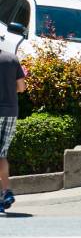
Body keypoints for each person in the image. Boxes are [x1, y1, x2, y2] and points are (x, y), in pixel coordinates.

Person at [0, 48, 26, 213]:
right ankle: (5, 191)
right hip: (10, 112)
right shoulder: (11, 59)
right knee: (2, 153)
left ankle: (5, 192)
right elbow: (22, 87)